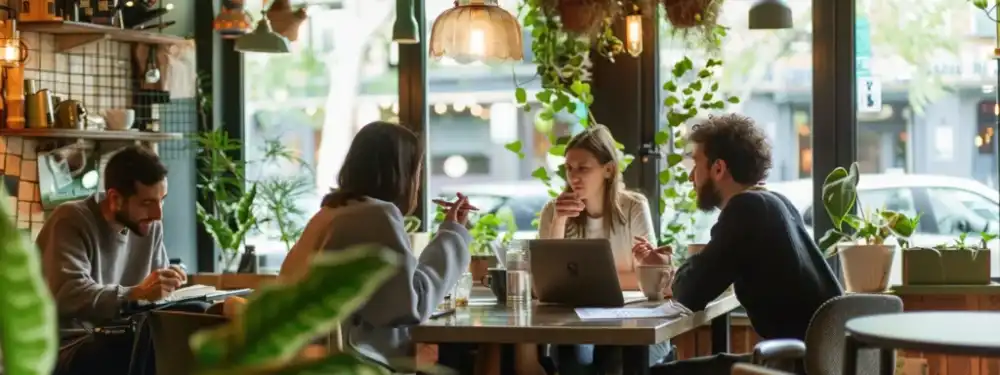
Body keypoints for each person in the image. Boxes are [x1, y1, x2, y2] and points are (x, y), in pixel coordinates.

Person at [636, 114, 843, 375]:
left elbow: (690, 293)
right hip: (820, 360)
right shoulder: (776, 202)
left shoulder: (746, 209)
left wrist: (673, 273)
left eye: (696, 164)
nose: (691, 176)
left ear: (719, 168)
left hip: (796, 363)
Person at [278, 121, 473, 371]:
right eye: (418, 169)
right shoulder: (375, 215)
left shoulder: (330, 213)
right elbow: (411, 306)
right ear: (402, 173)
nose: (419, 180)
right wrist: (452, 235)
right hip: (355, 363)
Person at [508, 125, 669, 374]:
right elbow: (547, 284)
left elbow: (646, 280)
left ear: (608, 169)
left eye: (583, 168)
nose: (574, 177)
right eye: (569, 168)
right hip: (577, 323)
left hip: (632, 322)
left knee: (617, 355)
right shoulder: (553, 210)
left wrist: (583, 284)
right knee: (568, 351)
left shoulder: (633, 207)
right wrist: (559, 222)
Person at [39, 145, 186, 375]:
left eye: (162, 200)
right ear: (115, 198)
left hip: (122, 335)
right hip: (66, 347)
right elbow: (68, 293)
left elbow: (154, 297)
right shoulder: (70, 220)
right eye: (147, 203)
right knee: (125, 348)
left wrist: (170, 286)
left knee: (192, 327)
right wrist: (135, 294)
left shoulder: (150, 226)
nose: (158, 214)